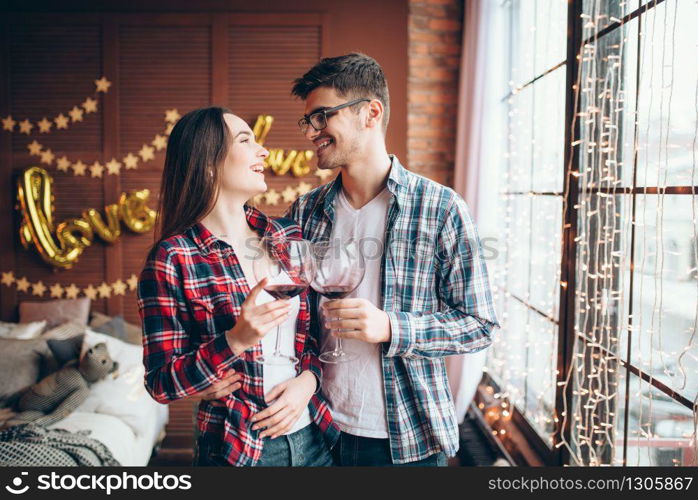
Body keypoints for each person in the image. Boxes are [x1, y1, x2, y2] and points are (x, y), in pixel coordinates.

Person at [285, 53, 500, 466]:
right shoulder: (304, 212)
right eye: (309, 120)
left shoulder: (441, 209)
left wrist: (390, 326)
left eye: (322, 116)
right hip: (317, 430)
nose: (312, 132)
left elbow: (480, 325)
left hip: (407, 441)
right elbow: (293, 317)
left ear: (371, 113)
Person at [137, 106, 338, 466]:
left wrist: (308, 380)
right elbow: (161, 383)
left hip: (316, 438)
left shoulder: (287, 236)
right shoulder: (172, 258)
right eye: (246, 140)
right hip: (241, 450)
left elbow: (314, 337)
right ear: (208, 163)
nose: (264, 151)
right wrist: (235, 341)